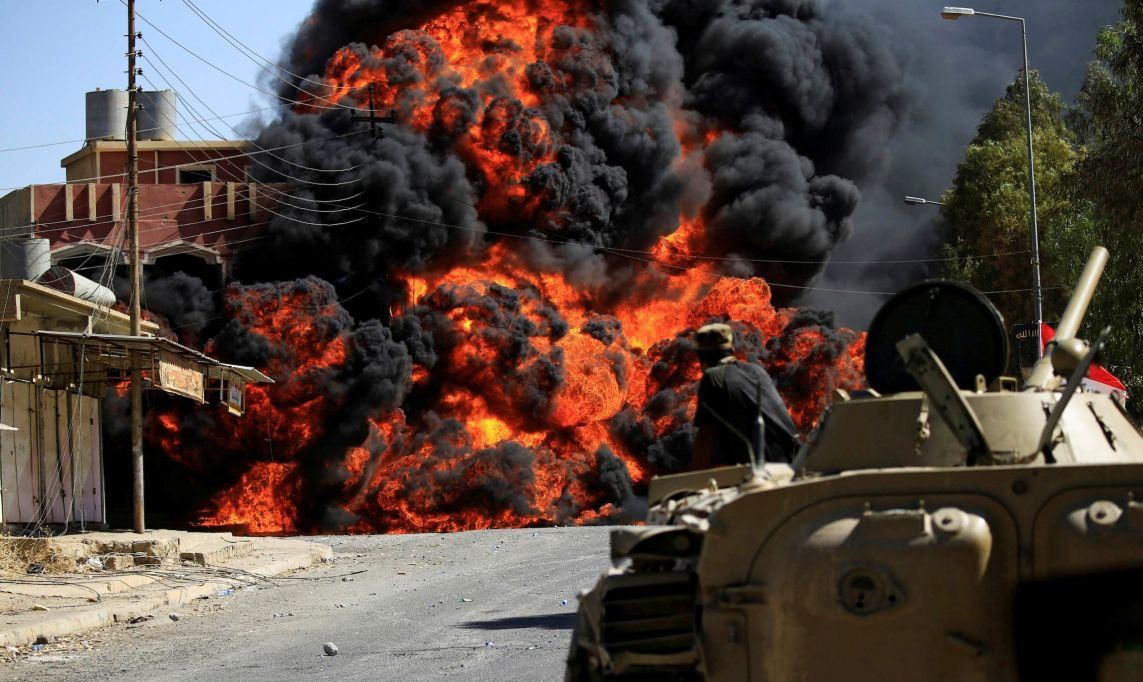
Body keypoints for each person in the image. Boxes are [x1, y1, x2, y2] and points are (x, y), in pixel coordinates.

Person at [692, 323, 800, 468]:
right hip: (793, 462)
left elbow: (705, 437)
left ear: (701, 358)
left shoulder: (713, 376)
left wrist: (692, 475)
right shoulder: (756, 370)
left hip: (760, 470)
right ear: (732, 349)